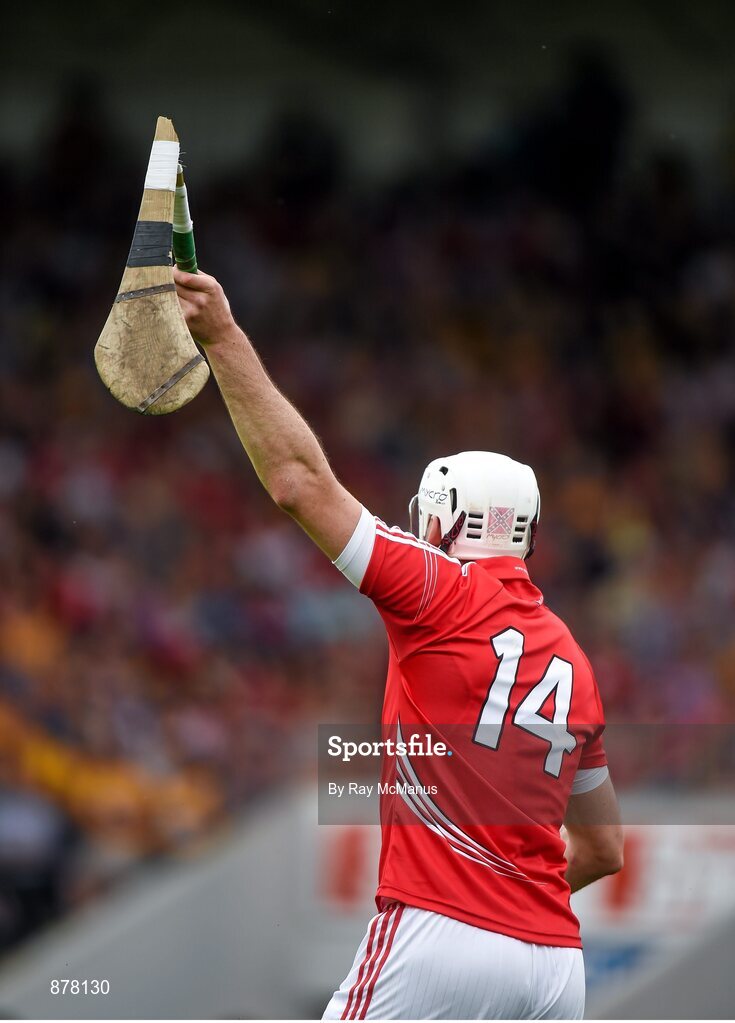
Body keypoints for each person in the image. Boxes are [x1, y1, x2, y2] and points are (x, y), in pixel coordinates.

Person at [174, 267, 624, 1021]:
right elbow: (604, 845)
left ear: (451, 520)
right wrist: (512, 903)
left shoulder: (438, 590)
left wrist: (221, 336)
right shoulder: (573, 660)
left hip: (438, 936)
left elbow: (296, 481)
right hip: (554, 968)